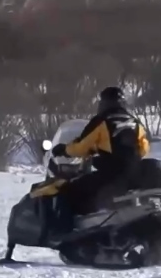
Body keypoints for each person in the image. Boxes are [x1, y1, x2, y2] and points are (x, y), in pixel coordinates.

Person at [47, 86, 150, 234]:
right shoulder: (135, 122)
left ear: (104, 103)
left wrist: (64, 150)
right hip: (134, 176)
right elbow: (143, 149)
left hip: (110, 176)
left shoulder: (101, 121)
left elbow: (81, 147)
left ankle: (64, 233)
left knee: (68, 191)